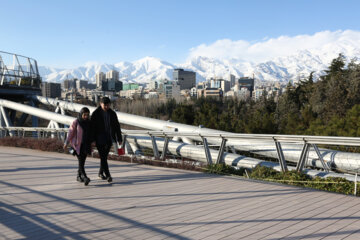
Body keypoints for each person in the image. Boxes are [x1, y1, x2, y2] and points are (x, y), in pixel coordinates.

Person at [91, 97, 122, 183]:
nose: (107, 107)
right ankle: (108, 175)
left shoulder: (112, 113)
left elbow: (117, 126)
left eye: (108, 105)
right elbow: (92, 128)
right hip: (99, 138)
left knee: (104, 157)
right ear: (100, 104)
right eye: (105, 105)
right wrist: (92, 140)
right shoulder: (95, 114)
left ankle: (100, 173)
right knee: (103, 157)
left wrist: (119, 138)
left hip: (109, 138)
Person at [63, 107, 92, 186]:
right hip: (78, 146)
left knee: (82, 162)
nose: (86, 116)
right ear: (81, 114)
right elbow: (70, 133)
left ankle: (79, 176)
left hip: (86, 145)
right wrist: (66, 143)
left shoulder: (89, 122)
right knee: (80, 162)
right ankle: (85, 177)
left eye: (87, 115)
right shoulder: (76, 122)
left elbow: (92, 133)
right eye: (84, 115)